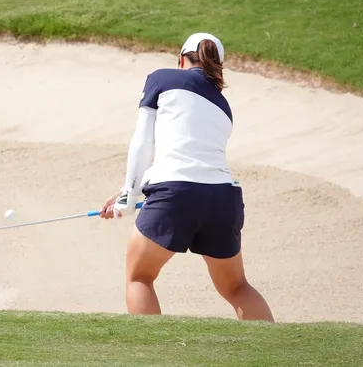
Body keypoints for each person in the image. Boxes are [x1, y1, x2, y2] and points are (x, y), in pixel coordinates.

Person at [99, 32, 274, 322]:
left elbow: (144, 142)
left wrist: (129, 195)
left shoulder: (161, 78)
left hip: (175, 196)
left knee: (139, 277)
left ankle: (153, 349)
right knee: (236, 287)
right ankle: (273, 346)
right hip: (222, 199)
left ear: (181, 59)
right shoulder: (223, 106)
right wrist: (128, 191)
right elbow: (190, 159)